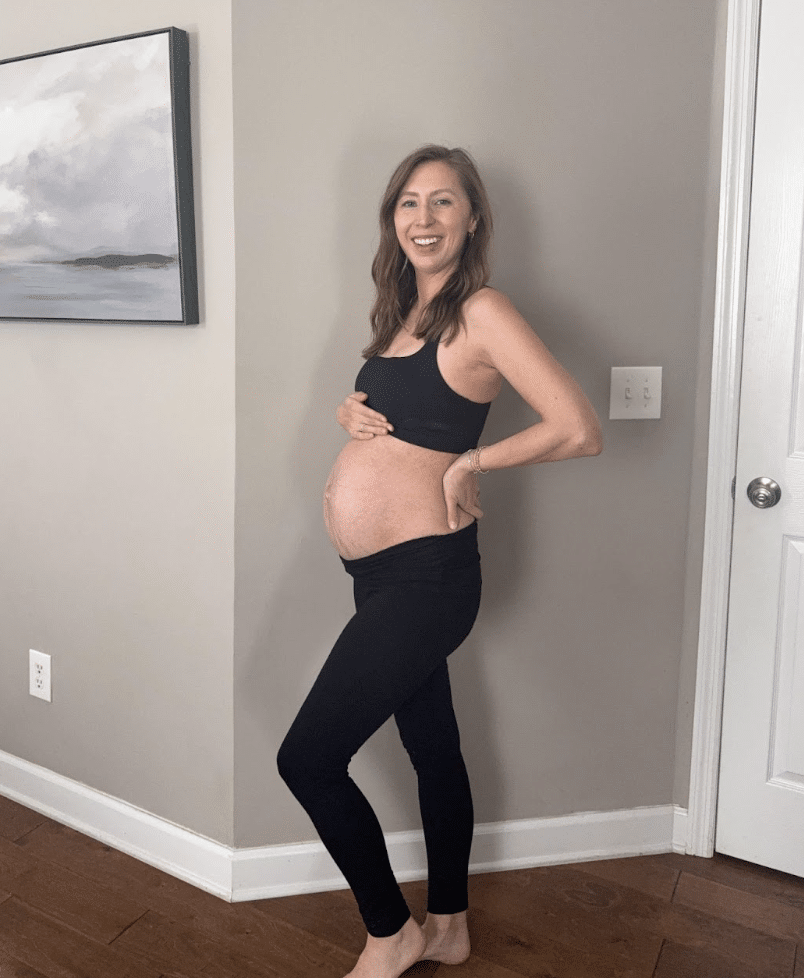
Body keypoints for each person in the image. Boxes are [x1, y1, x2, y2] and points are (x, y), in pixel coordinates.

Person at [277, 144, 602, 978]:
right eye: (408, 203)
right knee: (433, 749)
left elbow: (576, 427)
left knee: (307, 759)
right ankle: (449, 925)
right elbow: (408, 418)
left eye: (443, 202)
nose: (423, 219)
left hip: (429, 578)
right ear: (393, 220)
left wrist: (473, 463)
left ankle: (392, 933)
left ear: (473, 218)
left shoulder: (482, 310)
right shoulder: (401, 315)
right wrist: (350, 412)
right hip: (380, 577)